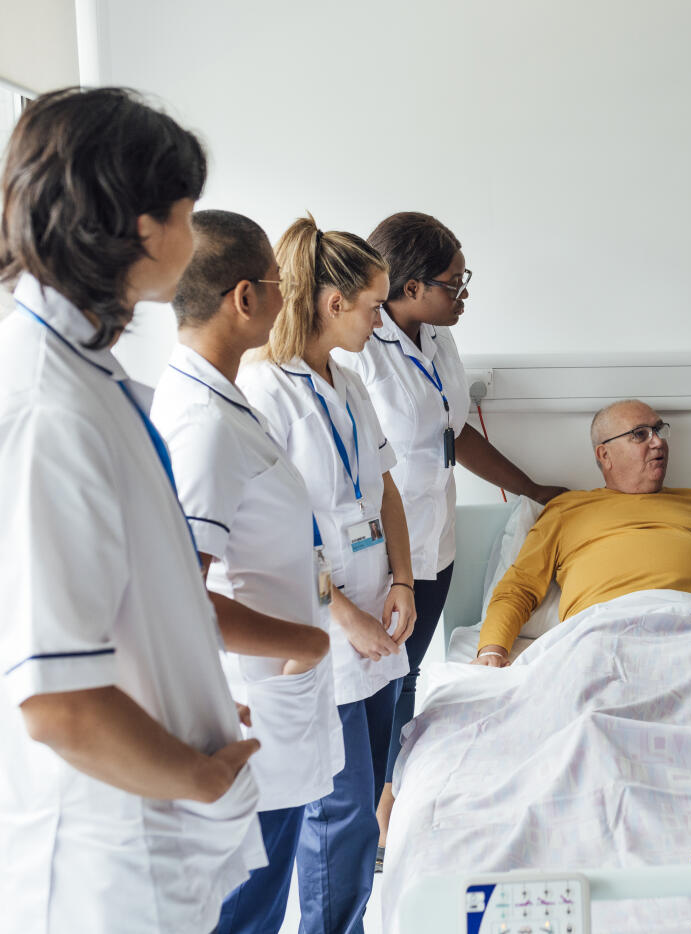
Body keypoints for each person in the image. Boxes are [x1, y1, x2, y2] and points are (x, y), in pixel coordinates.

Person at [0, 87, 263, 933]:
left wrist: (195, 700)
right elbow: (60, 705)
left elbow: (137, 595)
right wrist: (198, 773)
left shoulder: (86, 372)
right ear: (145, 230)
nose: (195, 238)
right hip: (109, 853)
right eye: (187, 214)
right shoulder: (49, 406)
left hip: (152, 816)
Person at [336, 211, 565, 854]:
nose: (462, 295)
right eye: (453, 283)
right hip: (379, 549)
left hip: (433, 539)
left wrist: (532, 488)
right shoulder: (360, 353)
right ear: (409, 287)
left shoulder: (437, 337)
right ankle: (363, 826)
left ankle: (390, 812)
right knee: (373, 684)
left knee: (405, 676)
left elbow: (452, 431)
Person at [150, 210, 341, 934]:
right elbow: (177, 597)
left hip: (274, 696)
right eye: (279, 282)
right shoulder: (204, 426)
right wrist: (309, 642)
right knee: (245, 917)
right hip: (257, 704)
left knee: (258, 909)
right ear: (243, 298)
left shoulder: (224, 401)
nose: (289, 295)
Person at [238, 216, 416, 933]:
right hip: (326, 628)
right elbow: (273, 534)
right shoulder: (264, 392)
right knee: (338, 815)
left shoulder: (345, 380)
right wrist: (344, 615)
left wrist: (403, 580)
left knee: (367, 802)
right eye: (373, 305)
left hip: (378, 615)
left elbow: (386, 490)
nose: (381, 319)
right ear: (332, 303)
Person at [473, 399, 691, 663]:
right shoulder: (566, 510)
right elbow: (519, 587)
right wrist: (492, 650)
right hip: (603, 638)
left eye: (658, 430)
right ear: (604, 454)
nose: (658, 442)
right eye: (640, 434)